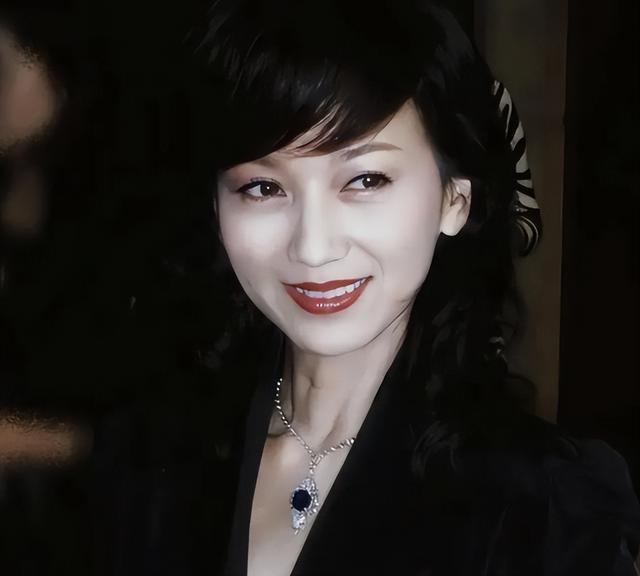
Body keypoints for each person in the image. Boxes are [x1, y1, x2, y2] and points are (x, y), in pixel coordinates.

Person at [95, 1, 640, 575]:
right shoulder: (149, 455)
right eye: (262, 187)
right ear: (216, 205)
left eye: (365, 179)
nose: (313, 247)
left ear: (455, 200)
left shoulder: (545, 506)